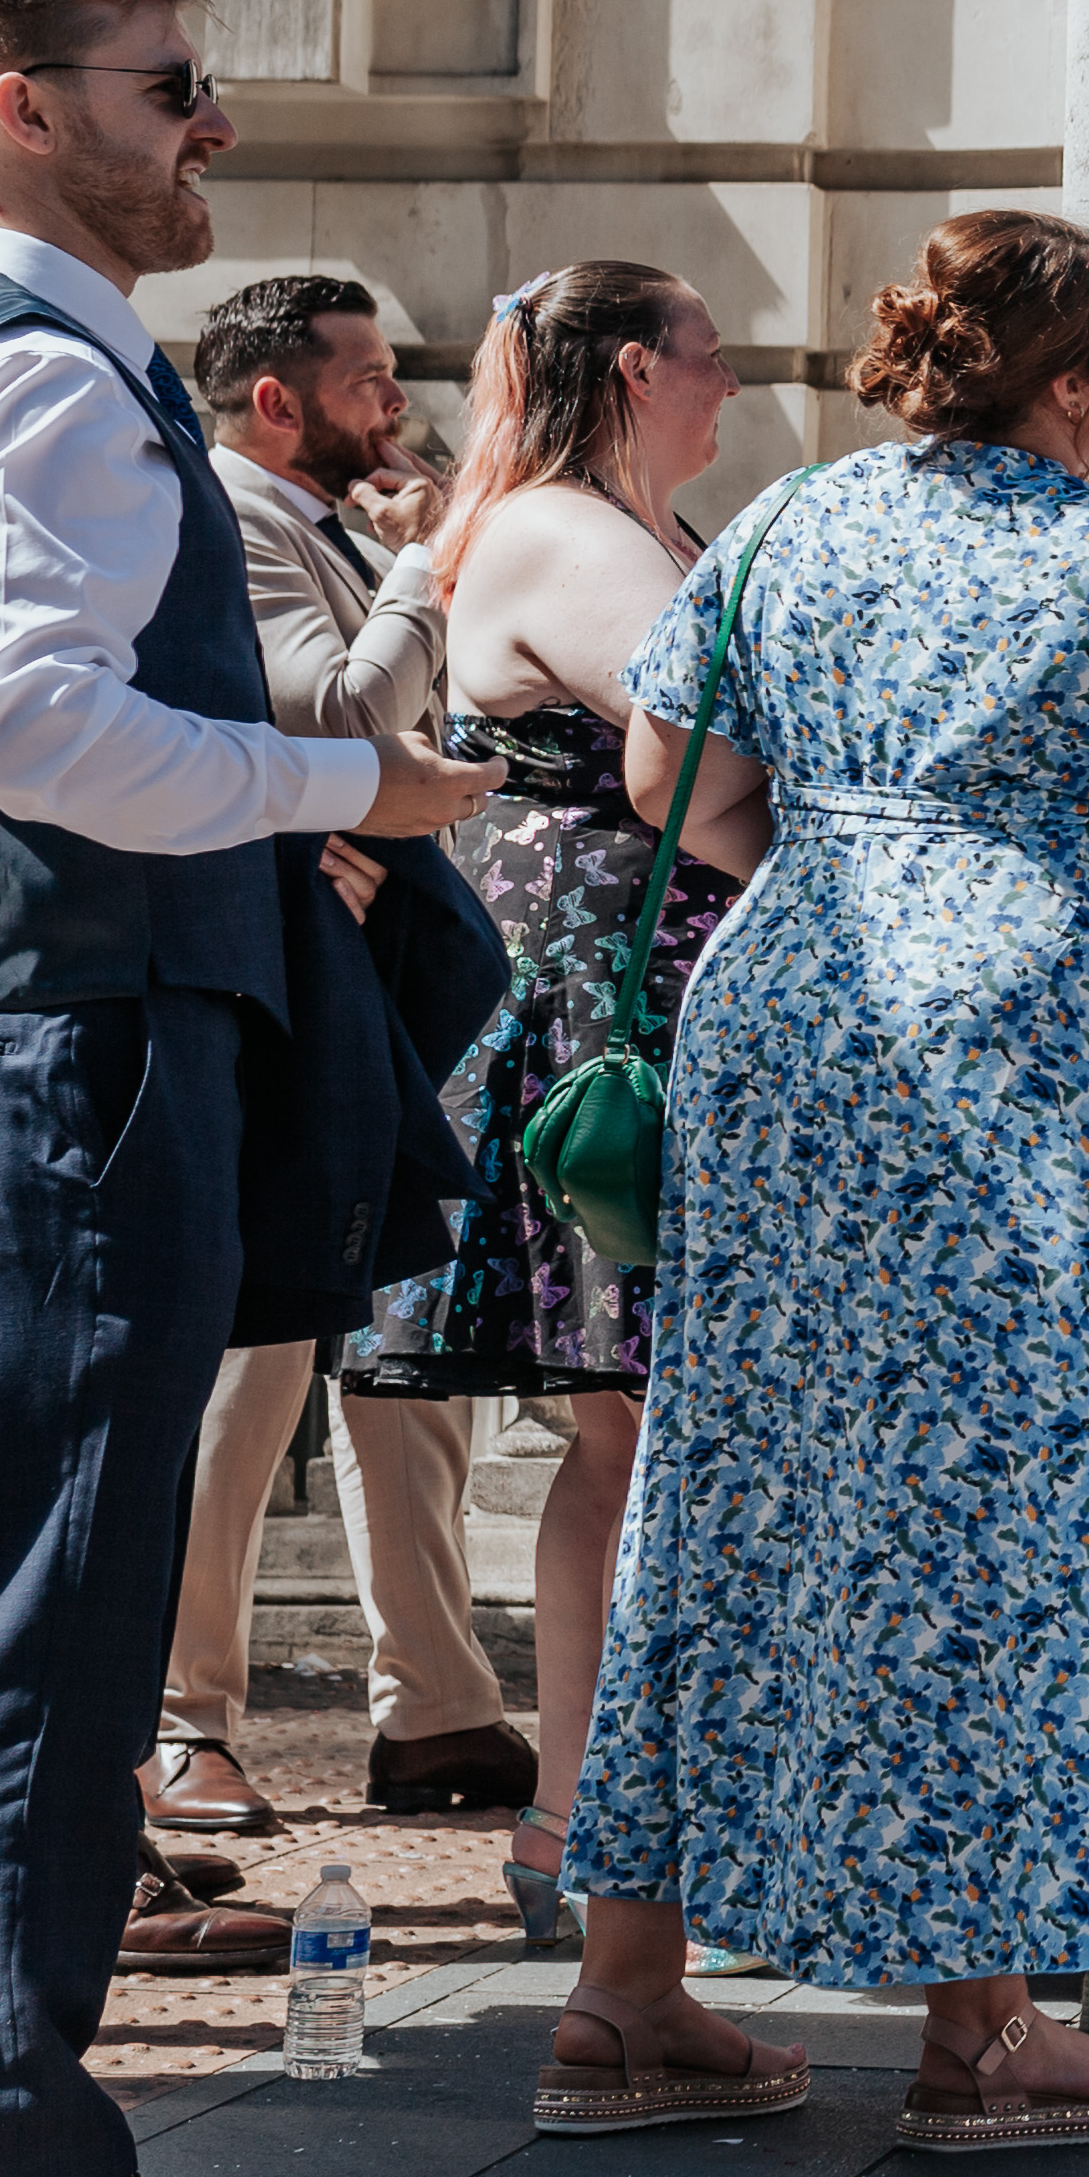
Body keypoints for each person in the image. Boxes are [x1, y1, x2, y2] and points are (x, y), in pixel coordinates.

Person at [0, 0, 498, 2177]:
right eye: (172, 84)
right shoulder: (39, 367)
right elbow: (30, 724)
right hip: (58, 1033)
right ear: (15, 104)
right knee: (46, 1606)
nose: (213, 127)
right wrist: (339, 778)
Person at [555, 209, 1089, 2153]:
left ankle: (630, 1999)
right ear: (1070, 381)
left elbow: (665, 777)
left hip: (792, 997)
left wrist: (844, 843)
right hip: (1010, 1036)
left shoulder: (799, 520)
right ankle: (980, 2029)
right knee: (995, 1496)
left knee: (741, 1466)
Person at [338, 257, 753, 1950]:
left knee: (641, 1427)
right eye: (712, 358)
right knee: (629, 1425)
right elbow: (719, 764)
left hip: (639, 989)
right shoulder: (566, 532)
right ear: (639, 370)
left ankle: (602, 1819)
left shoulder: (626, 523)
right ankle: (581, 1826)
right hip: (606, 1014)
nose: (732, 385)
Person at [155, 268, 530, 1845]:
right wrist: (423, 572)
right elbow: (351, 724)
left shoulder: (325, 527)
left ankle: (434, 1703)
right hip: (272, 980)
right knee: (252, 1362)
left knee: (388, 1333)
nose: (399, 403)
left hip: (369, 976)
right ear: (274, 401)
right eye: (370, 380)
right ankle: (187, 1719)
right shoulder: (233, 518)